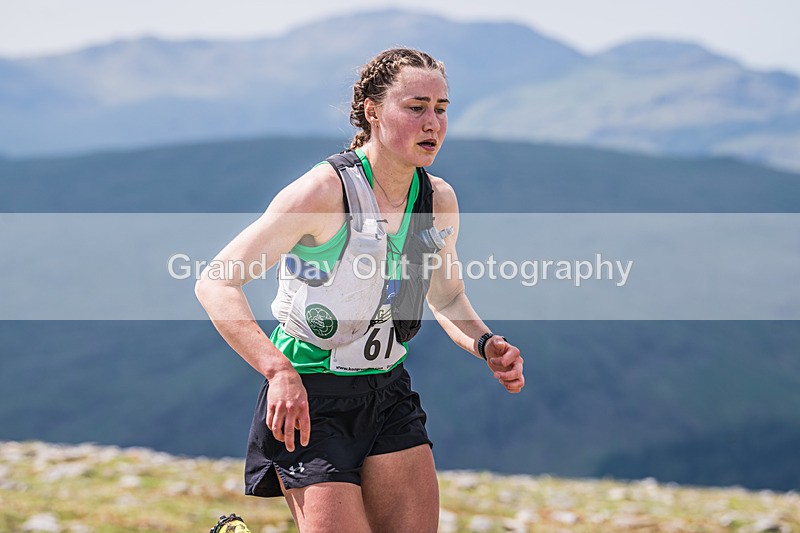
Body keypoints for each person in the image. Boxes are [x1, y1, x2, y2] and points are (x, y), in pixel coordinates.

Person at [195, 47, 524, 533]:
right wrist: (277, 370)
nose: (432, 123)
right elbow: (216, 281)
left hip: (387, 391)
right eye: (415, 108)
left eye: (441, 109)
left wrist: (485, 343)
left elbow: (447, 296)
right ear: (372, 111)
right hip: (310, 395)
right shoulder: (322, 193)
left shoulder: (437, 199)